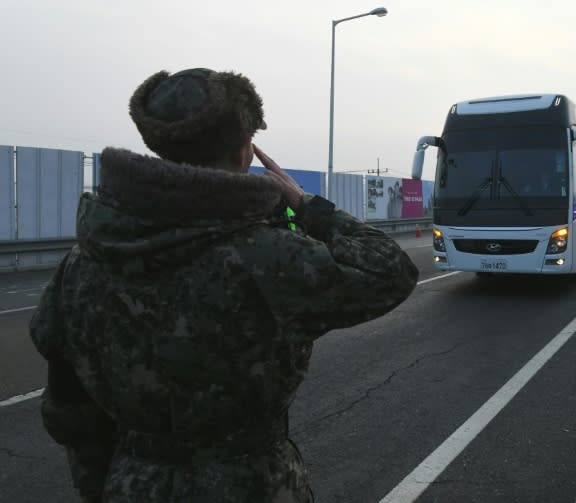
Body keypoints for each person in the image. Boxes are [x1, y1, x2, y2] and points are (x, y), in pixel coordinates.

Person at [29, 68, 419, 502]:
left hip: (132, 482)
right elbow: (390, 271)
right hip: (254, 485)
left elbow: (69, 411)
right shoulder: (270, 256)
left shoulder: (84, 260)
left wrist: (102, 486)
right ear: (243, 152)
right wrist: (306, 204)